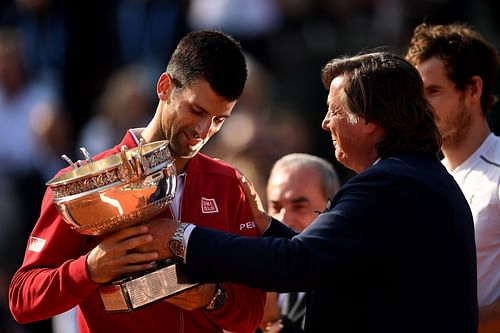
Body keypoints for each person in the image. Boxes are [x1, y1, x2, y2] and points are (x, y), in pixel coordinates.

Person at [138, 51, 479, 333]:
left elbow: (297, 263)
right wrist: (265, 224)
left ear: (370, 119)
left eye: (335, 110)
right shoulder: (414, 177)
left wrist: (182, 236)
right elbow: (328, 261)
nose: (325, 123)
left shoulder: (391, 185)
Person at [9, 30, 265, 333]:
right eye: (196, 110)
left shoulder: (227, 184)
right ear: (164, 87)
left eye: (219, 119)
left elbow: (253, 313)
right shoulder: (83, 185)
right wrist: (90, 269)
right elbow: (23, 299)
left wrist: (212, 297)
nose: (203, 130)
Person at [405, 22, 500, 332]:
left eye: (433, 91)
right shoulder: (421, 181)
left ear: (473, 89)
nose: (421, 108)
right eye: (417, 96)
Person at [258, 153, 340, 332]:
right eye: (276, 207)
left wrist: (273, 323)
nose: (283, 219)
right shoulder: (257, 274)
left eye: (299, 207)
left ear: (330, 209)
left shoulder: (348, 282)